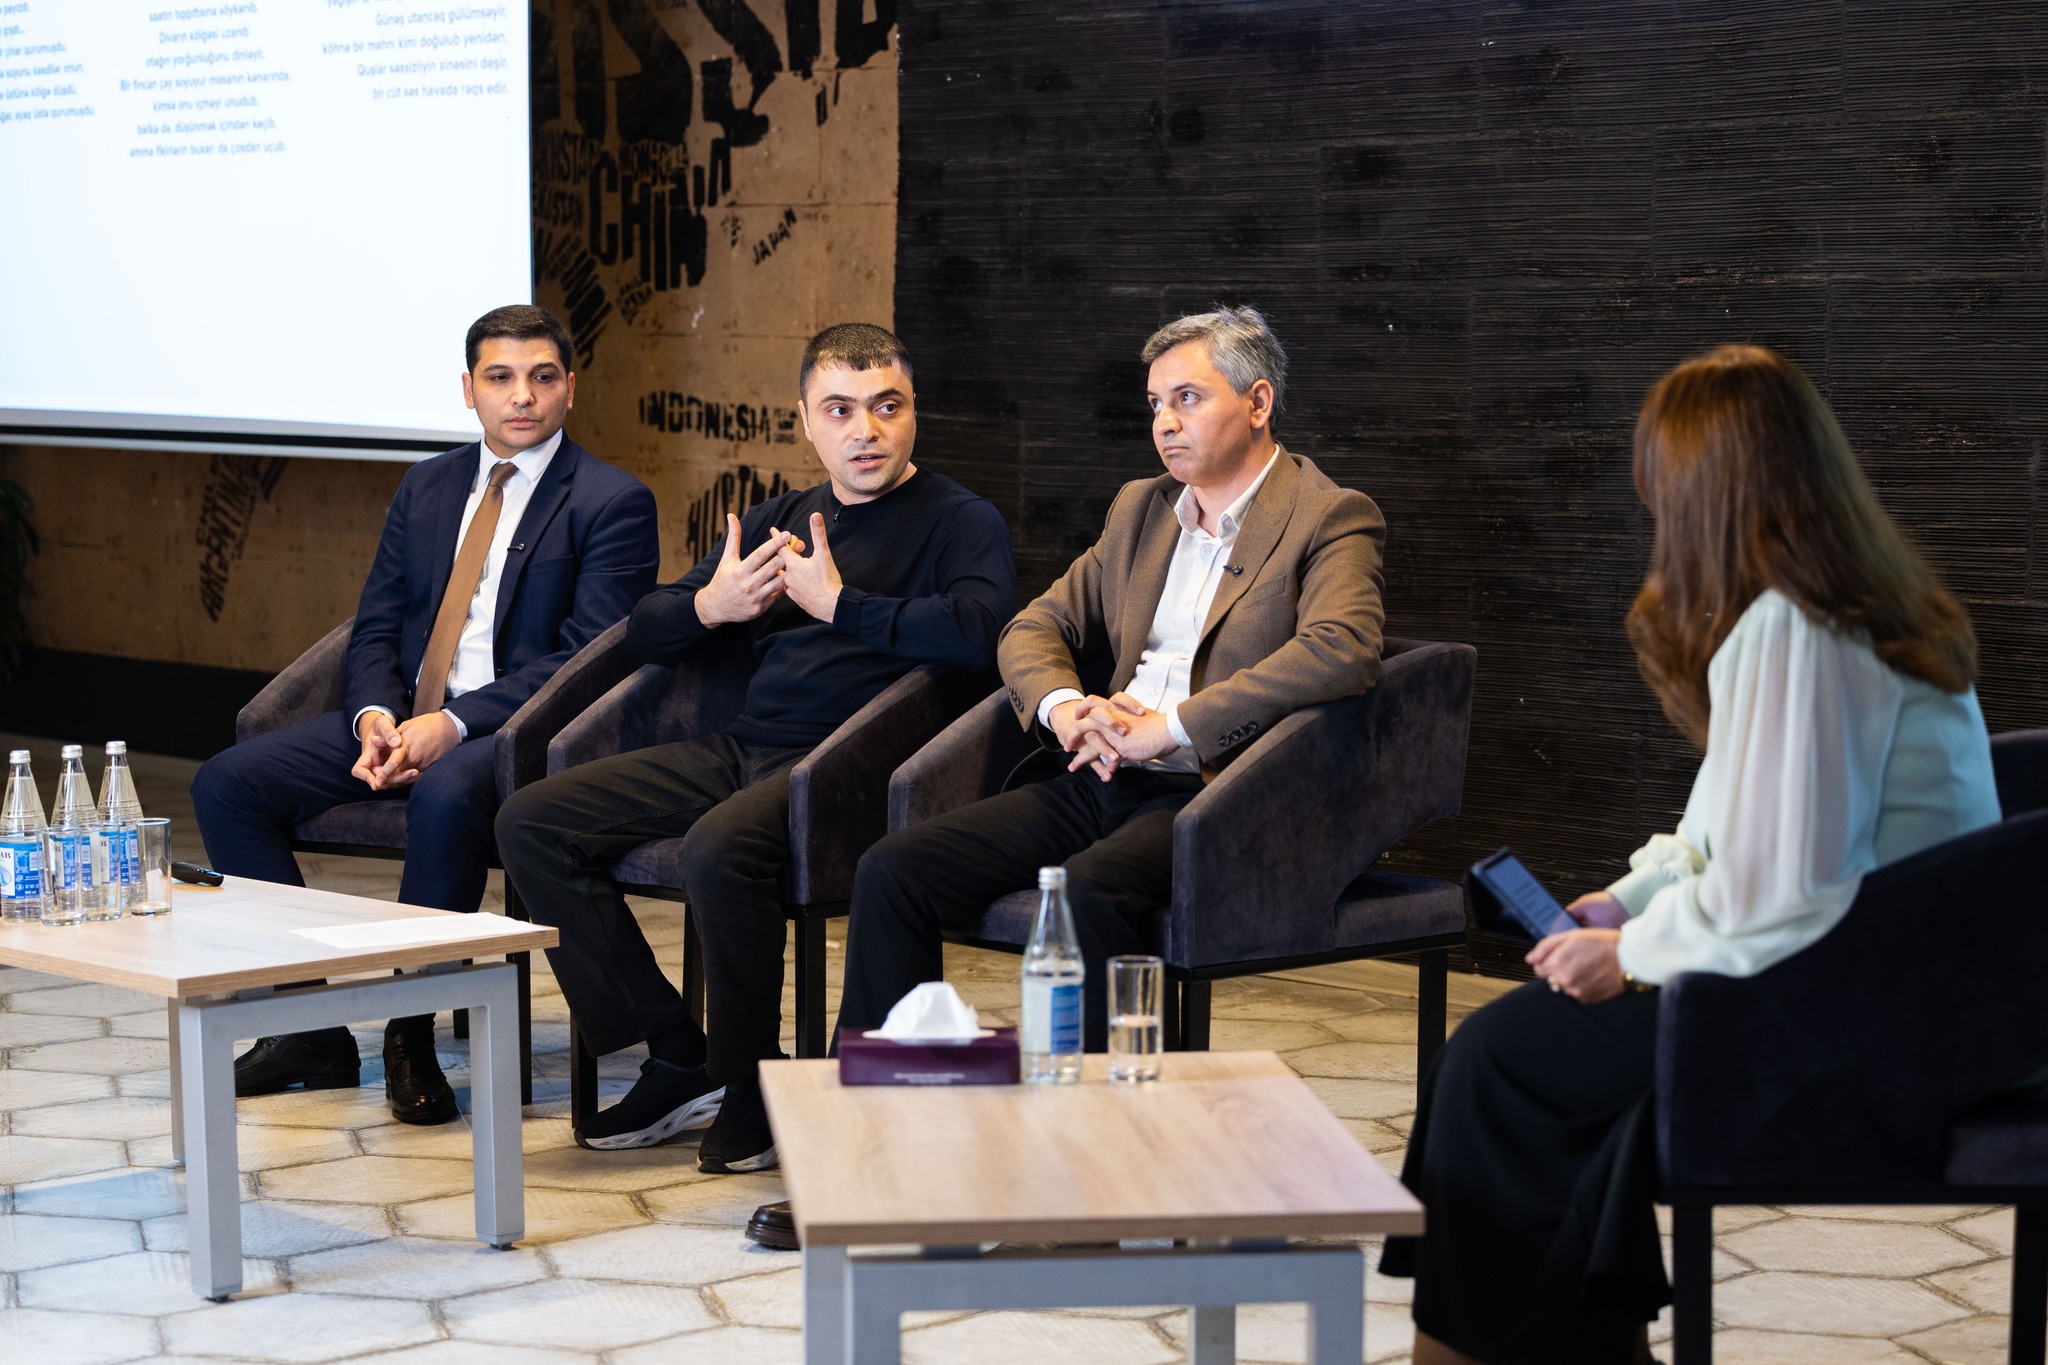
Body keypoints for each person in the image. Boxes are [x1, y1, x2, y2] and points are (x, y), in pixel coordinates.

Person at [1383, 345, 2003, 1365]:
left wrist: (1628, 957)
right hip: (1880, 992)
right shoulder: (1840, 612)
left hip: (1860, 1022)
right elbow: (1731, 836)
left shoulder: (1798, 631)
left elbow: (1785, 892)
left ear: (1707, 493)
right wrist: (1626, 904)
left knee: (1494, 1065)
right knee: (1522, 1067)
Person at [494, 322, 1016, 1169]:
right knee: (531, 820)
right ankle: (677, 1053)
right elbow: (648, 626)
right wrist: (714, 605)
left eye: (887, 406)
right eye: (839, 410)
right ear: (805, 421)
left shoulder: (960, 520)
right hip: (745, 747)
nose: (866, 430)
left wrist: (841, 605)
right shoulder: (783, 519)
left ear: (914, 410)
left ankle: (752, 1084)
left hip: (854, 769)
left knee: (719, 846)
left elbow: (983, 632)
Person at [832, 303, 1387, 1049]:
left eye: (1186, 398)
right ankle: (882, 1091)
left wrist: (1172, 727)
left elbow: (1342, 647)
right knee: (893, 868)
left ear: (1258, 402)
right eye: (1155, 403)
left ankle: (1104, 1109)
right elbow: (1034, 626)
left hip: (1218, 792)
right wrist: (1066, 709)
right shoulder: (1141, 509)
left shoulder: (1330, 515)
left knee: (1088, 893)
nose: (1164, 422)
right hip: (1100, 770)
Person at [191, 305, 659, 1125]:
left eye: (543, 377)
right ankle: (307, 1025)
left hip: (515, 734)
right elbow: (377, 622)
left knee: (445, 795)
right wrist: (376, 714)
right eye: (501, 377)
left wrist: (455, 725)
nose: (523, 396)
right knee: (227, 784)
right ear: (469, 390)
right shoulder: (428, 484)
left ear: (571, 388)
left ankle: (410, 1029)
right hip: (405, 714)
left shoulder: (612, 500)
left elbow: (584, 661)